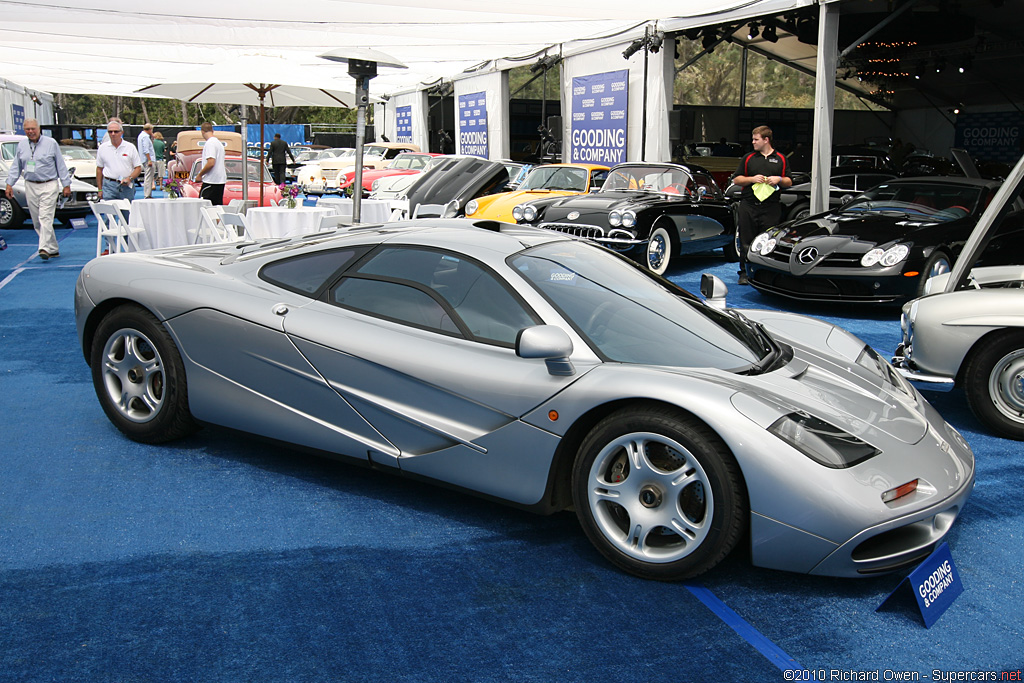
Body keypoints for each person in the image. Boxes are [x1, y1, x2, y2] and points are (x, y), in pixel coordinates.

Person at [3, 118, 72, 260]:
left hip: (49, 184)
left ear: (39, 128)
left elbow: (60, 165)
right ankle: (52, 248)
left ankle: (44, 248)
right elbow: (17, 166)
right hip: (30, 184)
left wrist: (66, 184)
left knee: (45, 217)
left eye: (33, 128)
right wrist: (9, 184)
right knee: (36, 220)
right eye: (27, 129)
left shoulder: (51, 143)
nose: (30, 132)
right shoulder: (22, 145)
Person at [731, 125, 792, 285]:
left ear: (766, 140)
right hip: (749, 205)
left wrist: (778, 179)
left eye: (756, 139)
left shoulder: (781, 158)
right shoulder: (749, 158)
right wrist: (751, 179)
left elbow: (789, 181)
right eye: (753, 139)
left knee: (769, 240)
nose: (753, 142)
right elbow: (737, 179)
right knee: (746, 241)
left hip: (771, 206)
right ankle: (744, 273)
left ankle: (767, 273)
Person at [95, 118, 142, 204]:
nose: (113, 134)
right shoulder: (102, 148)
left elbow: (138, 168)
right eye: (110, 132)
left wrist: (129, 178)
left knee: (126, 215)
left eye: (116, 131)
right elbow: (99, 169)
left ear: (121, 132)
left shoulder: (130, 147)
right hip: (108, 186)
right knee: (108, 215)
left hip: (126, 186)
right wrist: (100, 189)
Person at [195, 121, 226, 205]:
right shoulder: (219, 143)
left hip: (211, 181)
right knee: (217, 207)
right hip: (220, 181)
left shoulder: (210, 143)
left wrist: (200, 175)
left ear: (202, 132)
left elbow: (211, 162)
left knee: (204, 206)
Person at [137, 123, 156, 198]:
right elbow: (146, 149)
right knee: (148, 177)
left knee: (148, 177)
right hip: (148, 159)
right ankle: (147, 195)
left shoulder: (141, 136)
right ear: (150, 129)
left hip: (144, 159)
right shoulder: (145, 137)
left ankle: (148, 194)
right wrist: (149, 160)